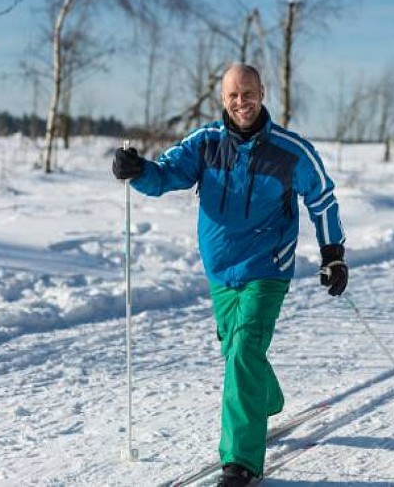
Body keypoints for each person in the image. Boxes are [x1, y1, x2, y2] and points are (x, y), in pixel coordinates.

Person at [112, 63, 348, 487]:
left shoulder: (290, 150)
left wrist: (333, 253)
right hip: (220, 268)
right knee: (237, 351)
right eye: (234, 95)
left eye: (249, 93)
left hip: (267, 266)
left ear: (262, 93)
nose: (242, 102)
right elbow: (166, 175)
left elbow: (323, 199)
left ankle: (240, 463)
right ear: (223, 99)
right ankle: (266, 398)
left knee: (242, 350)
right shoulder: (204, 144)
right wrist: (137, 170)